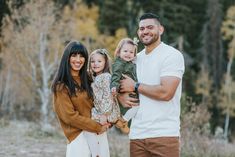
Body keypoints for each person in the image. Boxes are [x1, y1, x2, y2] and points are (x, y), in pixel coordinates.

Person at [118, 13, 185, 157]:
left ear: (161, 30)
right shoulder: (135, 59)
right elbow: (122, 84)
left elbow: (166, 93)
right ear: (138, 32)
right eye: (142, 29)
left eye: (150, 27)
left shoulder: (171, 55)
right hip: (137, 135)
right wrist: (120, 96)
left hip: (164, 135)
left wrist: (135, 86)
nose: (145, 31)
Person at [51, 41, 109, 157]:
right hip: (79, 137)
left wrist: (109, 121)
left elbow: (104, 100)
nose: (78, 60)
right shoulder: (61, 85)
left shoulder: (89, 78)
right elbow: (69, 117)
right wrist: (97, 127)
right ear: (67, 58)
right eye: (74, 55)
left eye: (82, 56)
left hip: (99, 134)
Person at [85, 48, 120, 157]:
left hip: (107, 112)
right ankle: (96, 153)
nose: (95, 64)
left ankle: (96, 154)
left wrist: (104, 114)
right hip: (101, 112)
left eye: (99, 61)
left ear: (105, 63)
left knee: (86, 118)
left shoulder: (106, 77)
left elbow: (107, 97)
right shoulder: (96, 77)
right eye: (92, 61)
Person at [110, 38, 139, 134]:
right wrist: (114, 87)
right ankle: (123, 120)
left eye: (131, 52)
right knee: (136, 107)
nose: (128, 54)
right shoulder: (119, 64)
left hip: (131, 89)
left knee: (135, 107)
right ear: (119, 52)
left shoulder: (129, 63)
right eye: (125, 51)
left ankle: (124, 121)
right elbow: (115, 76)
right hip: (124, 90)